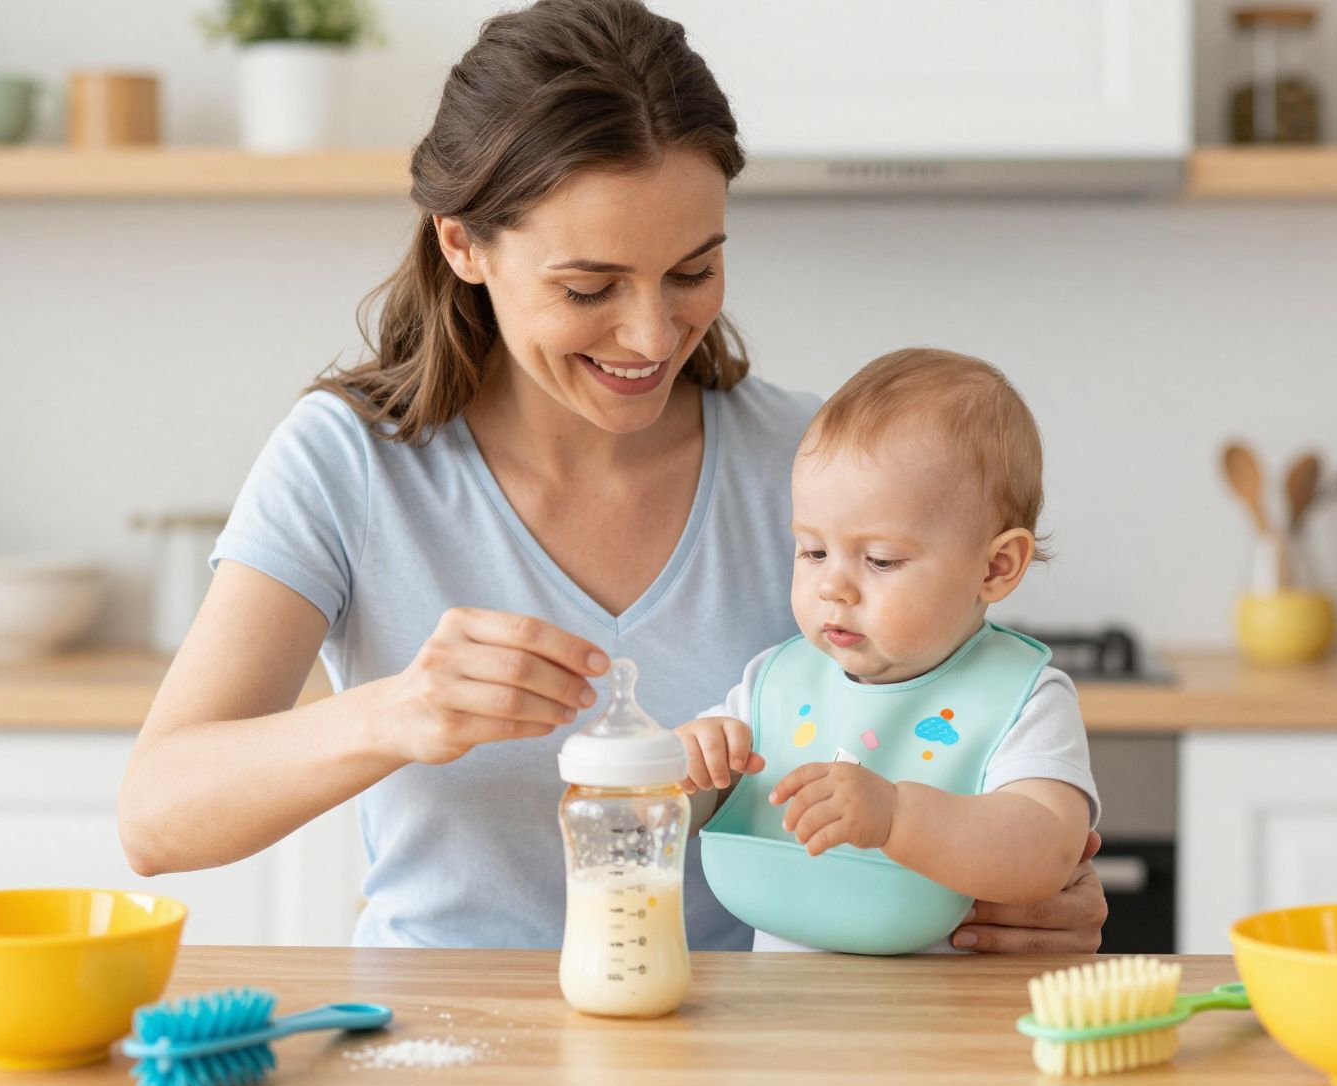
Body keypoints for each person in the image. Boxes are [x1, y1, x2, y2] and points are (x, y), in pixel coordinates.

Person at [117, 0, 1106, 954]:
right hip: (443, 1053)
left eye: (692, 272)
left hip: (748, 1059)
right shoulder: (349, 463)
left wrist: (1013, 901)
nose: (651, 336)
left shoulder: (817, 470)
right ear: (461, 243)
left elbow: (960, 770)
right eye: (588, 287)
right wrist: (395, 713)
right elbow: (158, 817)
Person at [677, 349, 1096, 952]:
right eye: (813, 552)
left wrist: (898, 817)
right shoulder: (778, 680)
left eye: (879, 560)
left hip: (944, 1022)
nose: (832, 587)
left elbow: (1047, 848)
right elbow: (668, 824)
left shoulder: (1023, 697)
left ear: (997, 567)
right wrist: (688, 774)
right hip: (779, 1024)